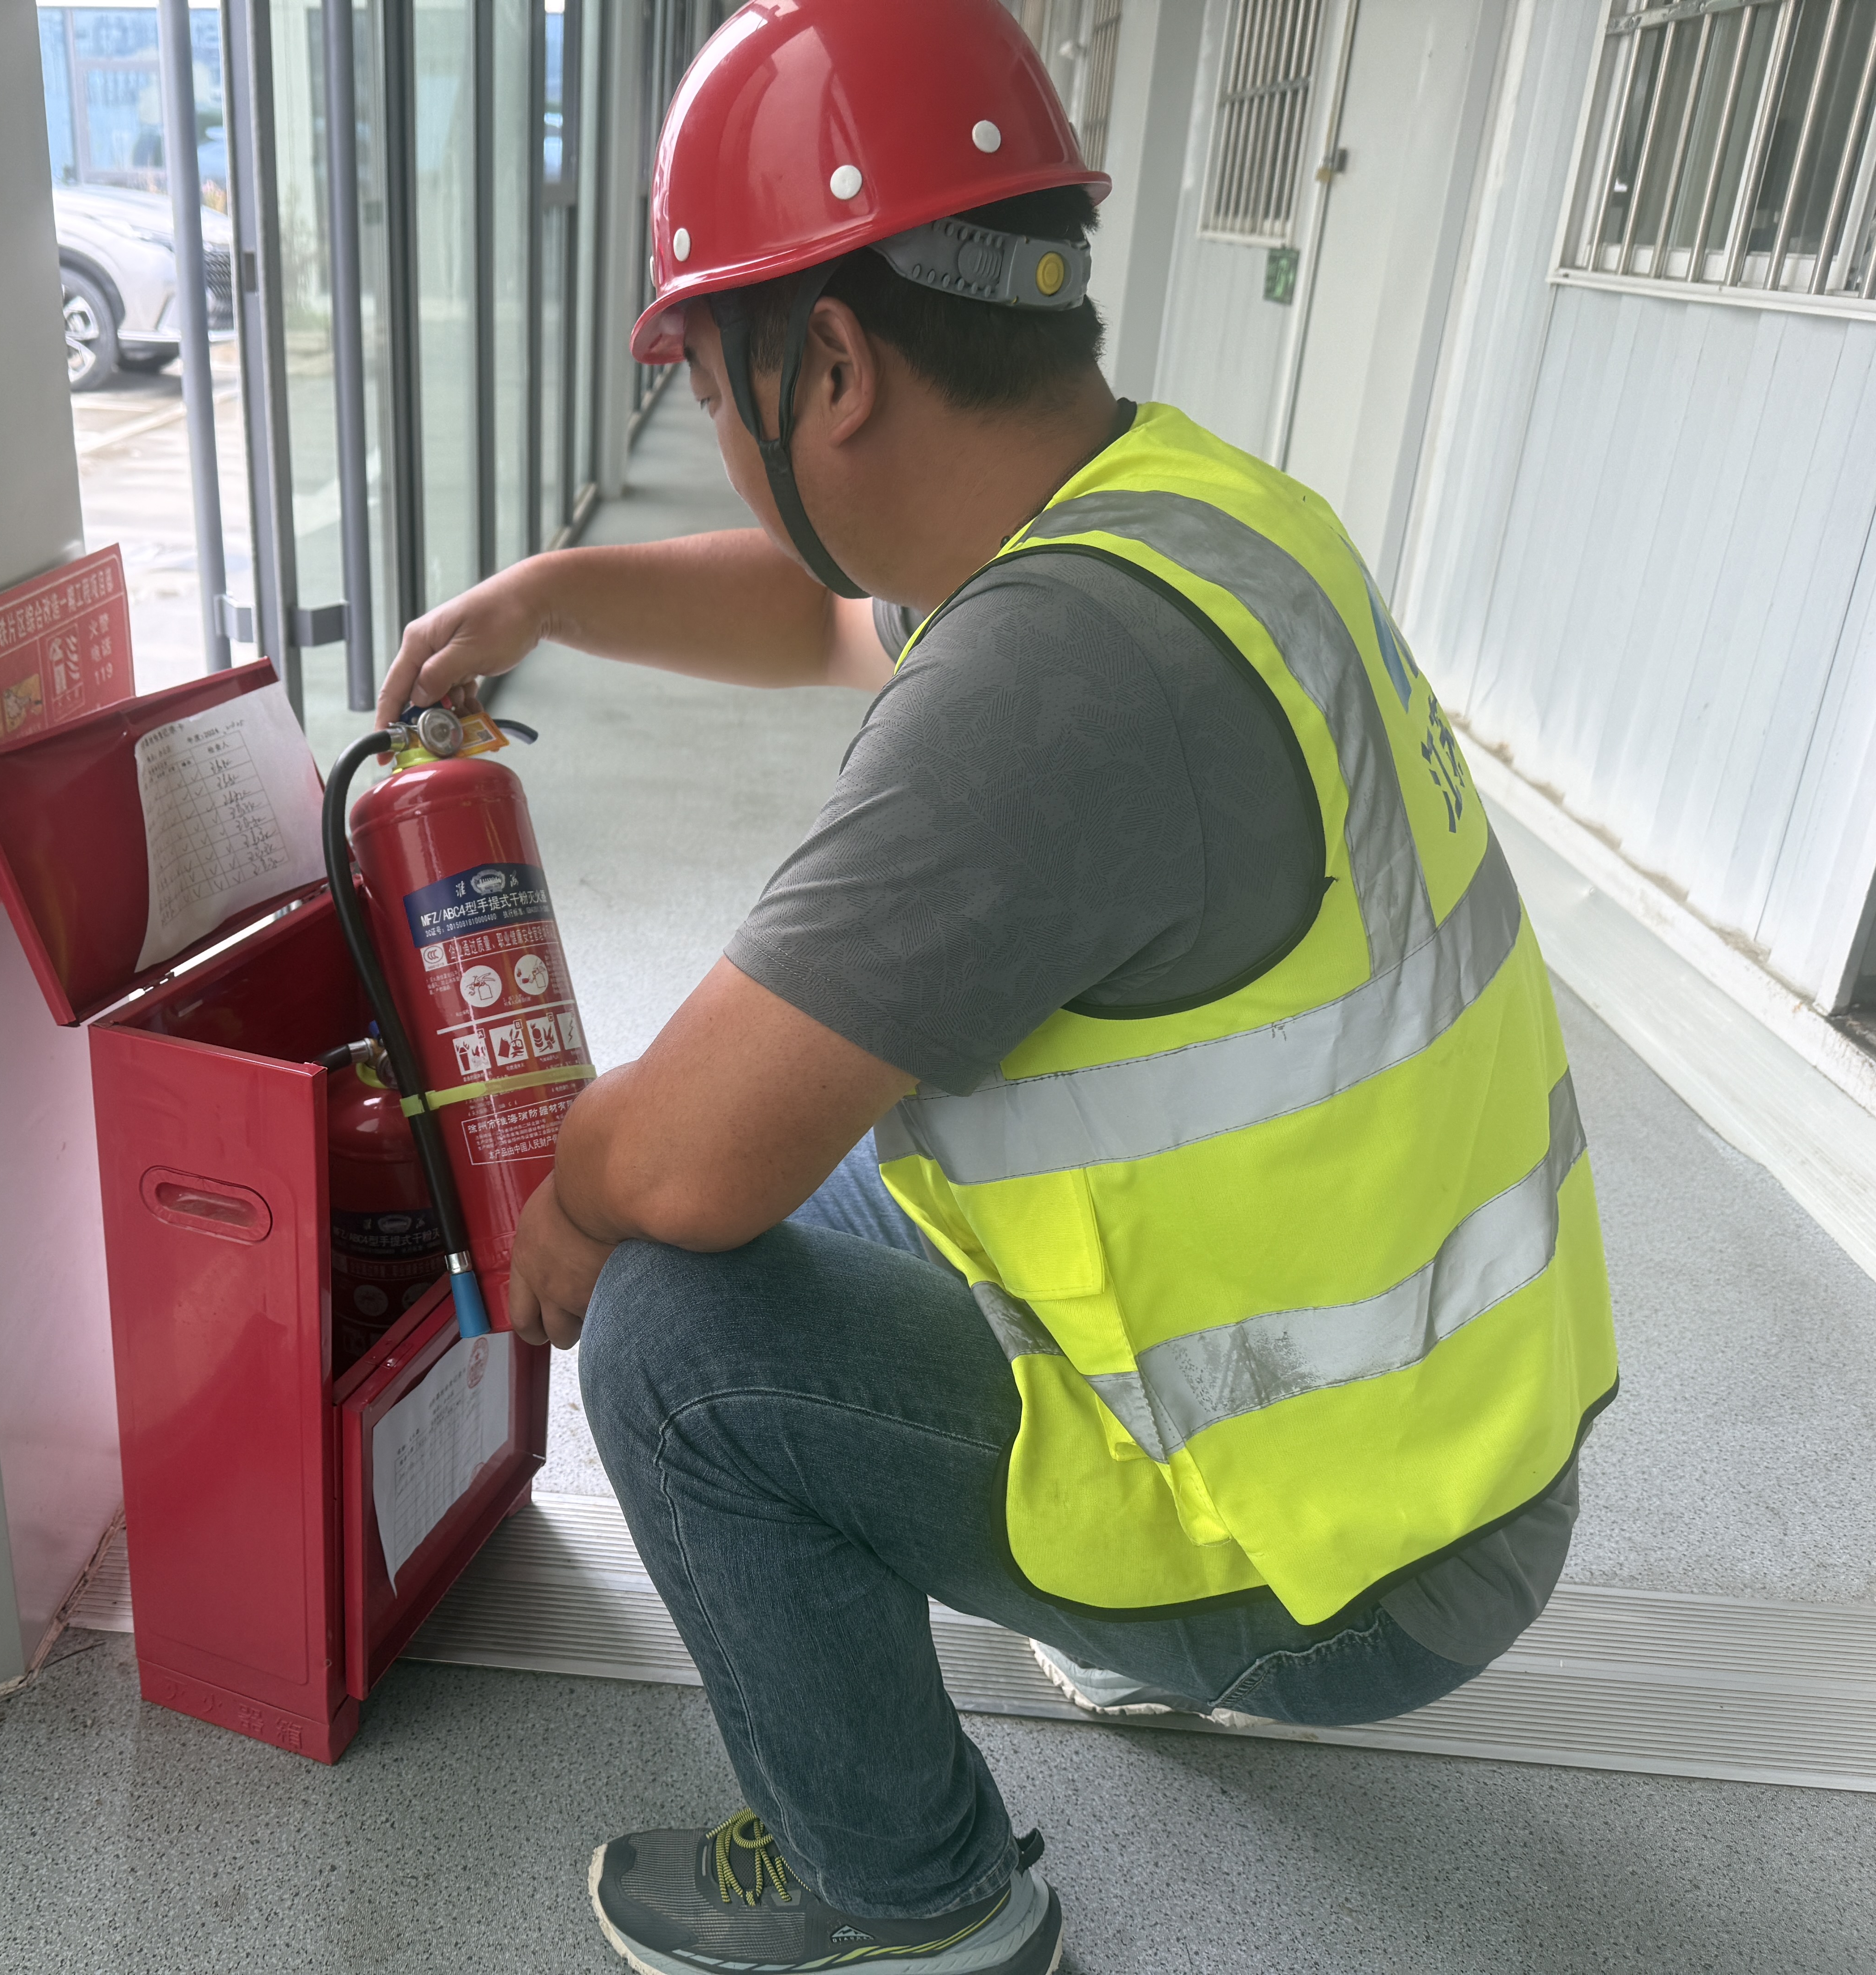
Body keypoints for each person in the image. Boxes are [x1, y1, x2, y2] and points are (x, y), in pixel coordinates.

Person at [377, 6, 1617, 1971]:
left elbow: (677, 1164)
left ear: (833, 363)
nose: (718, 436)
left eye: (708, 379)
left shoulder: (1046, 689)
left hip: (1350, 1562)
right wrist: (549, 597)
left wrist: (564, 1204)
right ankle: (1113, 1624)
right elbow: (832, 618)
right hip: (1454, 1449)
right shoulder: (1185, 517)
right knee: (839, 1183)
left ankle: (921, 1903)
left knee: (676, 1333)